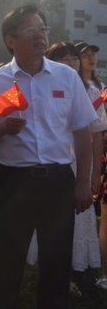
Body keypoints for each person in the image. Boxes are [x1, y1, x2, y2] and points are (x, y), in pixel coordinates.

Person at [0, 5, 97, 309]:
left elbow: (82, 131)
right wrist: (1, 127)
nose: (40, 35)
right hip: (14, 182)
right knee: (6, 263)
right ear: (10, 40)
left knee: (56, 263)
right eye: (31, 30)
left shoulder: (66, 77)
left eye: (43, 29)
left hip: (58, 182)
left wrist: (82, 183)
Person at [25, 42, 105, 296]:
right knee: (53, 221)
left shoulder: (91, 90)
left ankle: (75, 273)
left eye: (74, 58)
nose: (71, 63)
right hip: (52, 163)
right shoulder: (43, 86)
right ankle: (54, 276)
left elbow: (96, 135)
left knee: (79, 220)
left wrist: (94, 173)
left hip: (79, 163)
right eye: (64, 59)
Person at [75, 41, 107, 291]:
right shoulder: (71, 85)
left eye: (93, 54)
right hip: (70, 155)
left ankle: (84, 265)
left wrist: (97, 170)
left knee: (86, 215)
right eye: (85, 55)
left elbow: (99, 129)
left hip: (94, 154)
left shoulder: (100, 88)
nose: (91, 58)